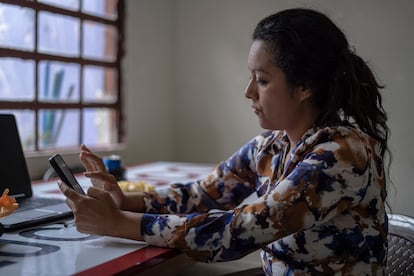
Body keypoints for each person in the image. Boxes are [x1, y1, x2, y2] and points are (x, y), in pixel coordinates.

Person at [58, 8, 390, 275]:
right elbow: (203, 194)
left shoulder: (341, 154)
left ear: (304, 86)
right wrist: (125, 201)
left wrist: (117, 224)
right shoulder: (270, 147)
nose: (248, 92)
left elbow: (237, 232)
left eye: (261, 80)